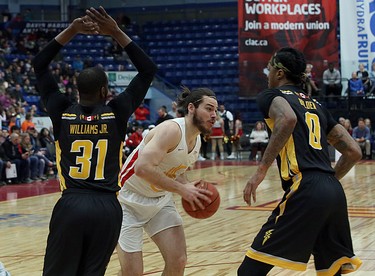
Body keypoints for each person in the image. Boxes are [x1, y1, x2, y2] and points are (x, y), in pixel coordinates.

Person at [32, 6, 157, 276]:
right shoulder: (116, 112)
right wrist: (115, 32)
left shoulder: (61, 110)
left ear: (77, 90)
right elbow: (148, 70)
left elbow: (39, 64)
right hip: (107, 207)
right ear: (104, 91)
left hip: (72, 203)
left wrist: (73, 30)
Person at [238, 47, 362, 276]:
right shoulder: (318, 106)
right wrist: (326, 182)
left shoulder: (272, 95)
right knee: (330, 272)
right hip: (333, 190)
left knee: (249, 271)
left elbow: (288, 118)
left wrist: (261, 171)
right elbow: (354, 151)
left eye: (270, 69)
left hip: (305, 186)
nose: (267, 74)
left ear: (279, 73)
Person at [117, 87, 217, 276]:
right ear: (191, 108)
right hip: (127, 202)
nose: (214, 115)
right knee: (132, 273)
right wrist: (182, 190)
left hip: (160, 201)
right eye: (209, 109)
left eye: (216, 111)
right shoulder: (171, 130)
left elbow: (176, 170)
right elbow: (143, 168)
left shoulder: (196, 142)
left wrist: (187, 186)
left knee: (178, 261)